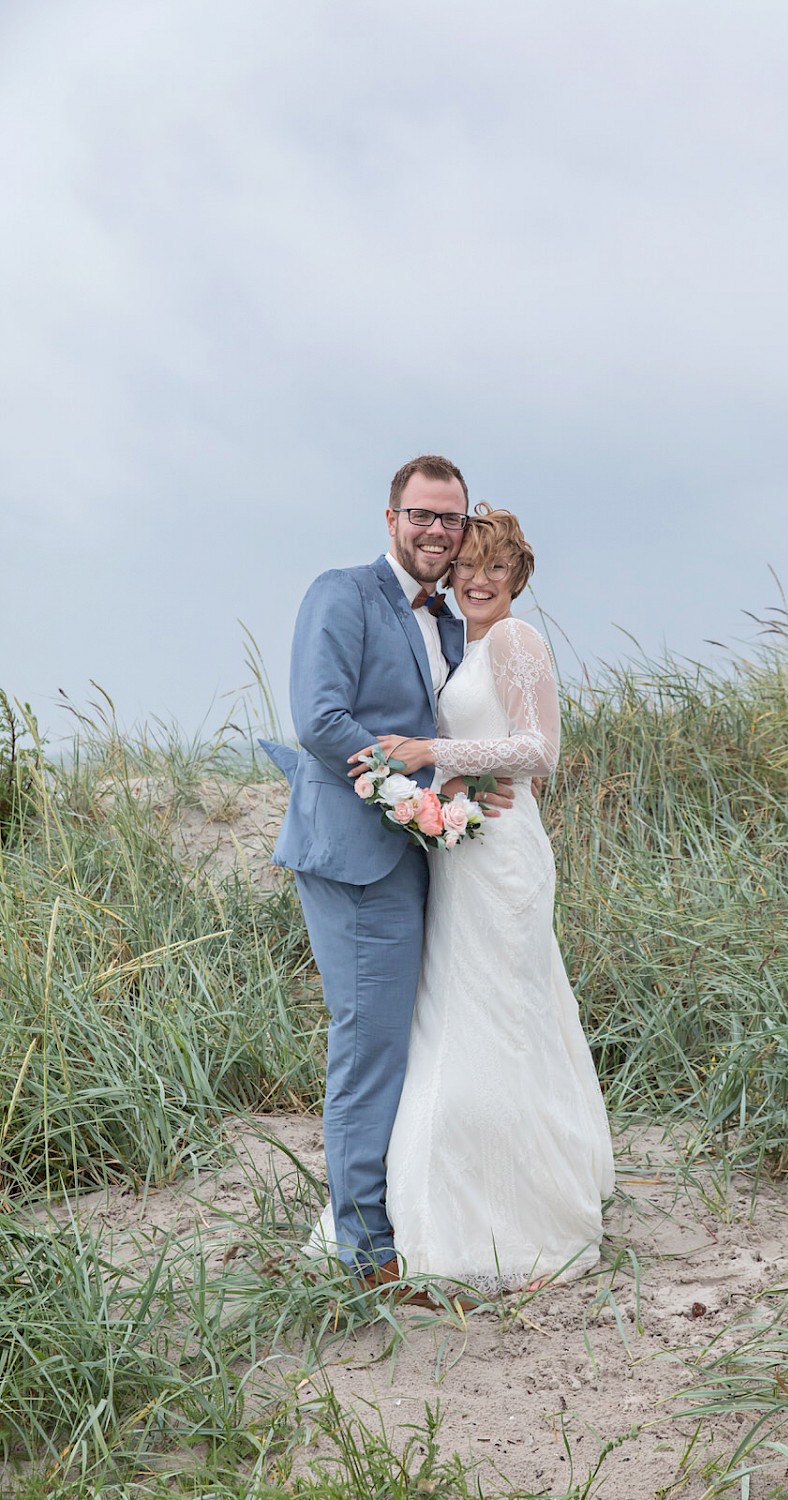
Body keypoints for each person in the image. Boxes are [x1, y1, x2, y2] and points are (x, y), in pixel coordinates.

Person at [347, 506, 615, 1293]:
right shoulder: (470, 647)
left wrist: (436, 752)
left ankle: (524, 1215)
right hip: (465, 848)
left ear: (517, 576)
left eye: (493, 570)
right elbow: (493, 742)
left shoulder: (517, 639)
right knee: (468, 1013)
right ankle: (456, 1195)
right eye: (465, 569)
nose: (476, 582)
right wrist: (449, 783)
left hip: (504, 854)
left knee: (506, 1015)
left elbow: (541, 750)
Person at [263, 455, 512, 1286]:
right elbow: (321, 719)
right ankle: (364, 1253)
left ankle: (400, 1210)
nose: (437, 531)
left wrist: (469, 783)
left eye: (451, 518)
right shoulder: (342, 593)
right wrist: (410, 795)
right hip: (358, 853)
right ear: (390, 517)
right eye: (422, 515)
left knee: (410, 1041)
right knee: (368, 1045)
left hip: (425, 855)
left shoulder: (447, 622)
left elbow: (443, 725)